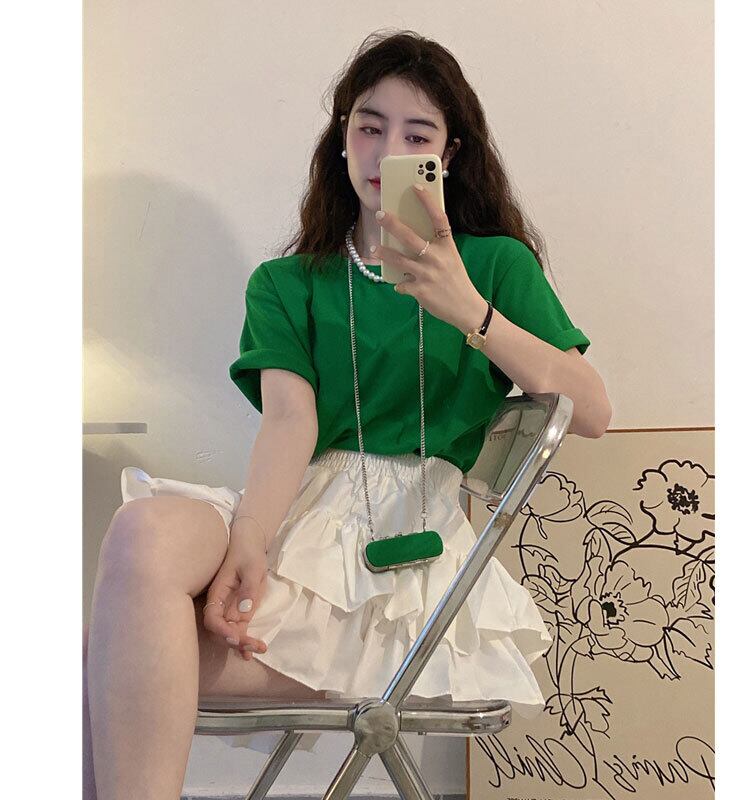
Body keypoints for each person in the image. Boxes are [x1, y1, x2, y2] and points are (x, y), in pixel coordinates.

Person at [84, 29, 612, 800]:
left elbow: (590, 409)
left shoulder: (495, 265)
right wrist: (249, 543)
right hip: (299, 518)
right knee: (143, 534)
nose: (386, 150)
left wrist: (468, 309)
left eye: (416, 135)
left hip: (402, 570)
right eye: (369, 126)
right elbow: (289, 423)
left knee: (102, 651)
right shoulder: (287, 283)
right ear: (341, 139)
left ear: (449, 155)